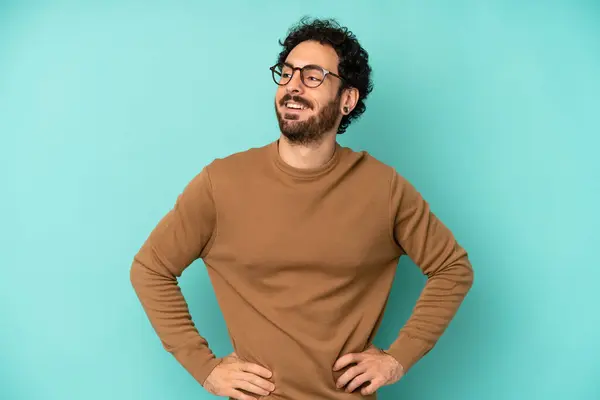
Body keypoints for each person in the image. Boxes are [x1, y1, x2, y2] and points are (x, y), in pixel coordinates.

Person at [130, 17, 474, 400]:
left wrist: (397, 359)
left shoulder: (384, 188)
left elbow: (451, 269)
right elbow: (150, 268)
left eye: (313, 76)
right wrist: (205, 369)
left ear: (347, 99)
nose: (292, 85)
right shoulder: (221, 183)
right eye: (287, 73)